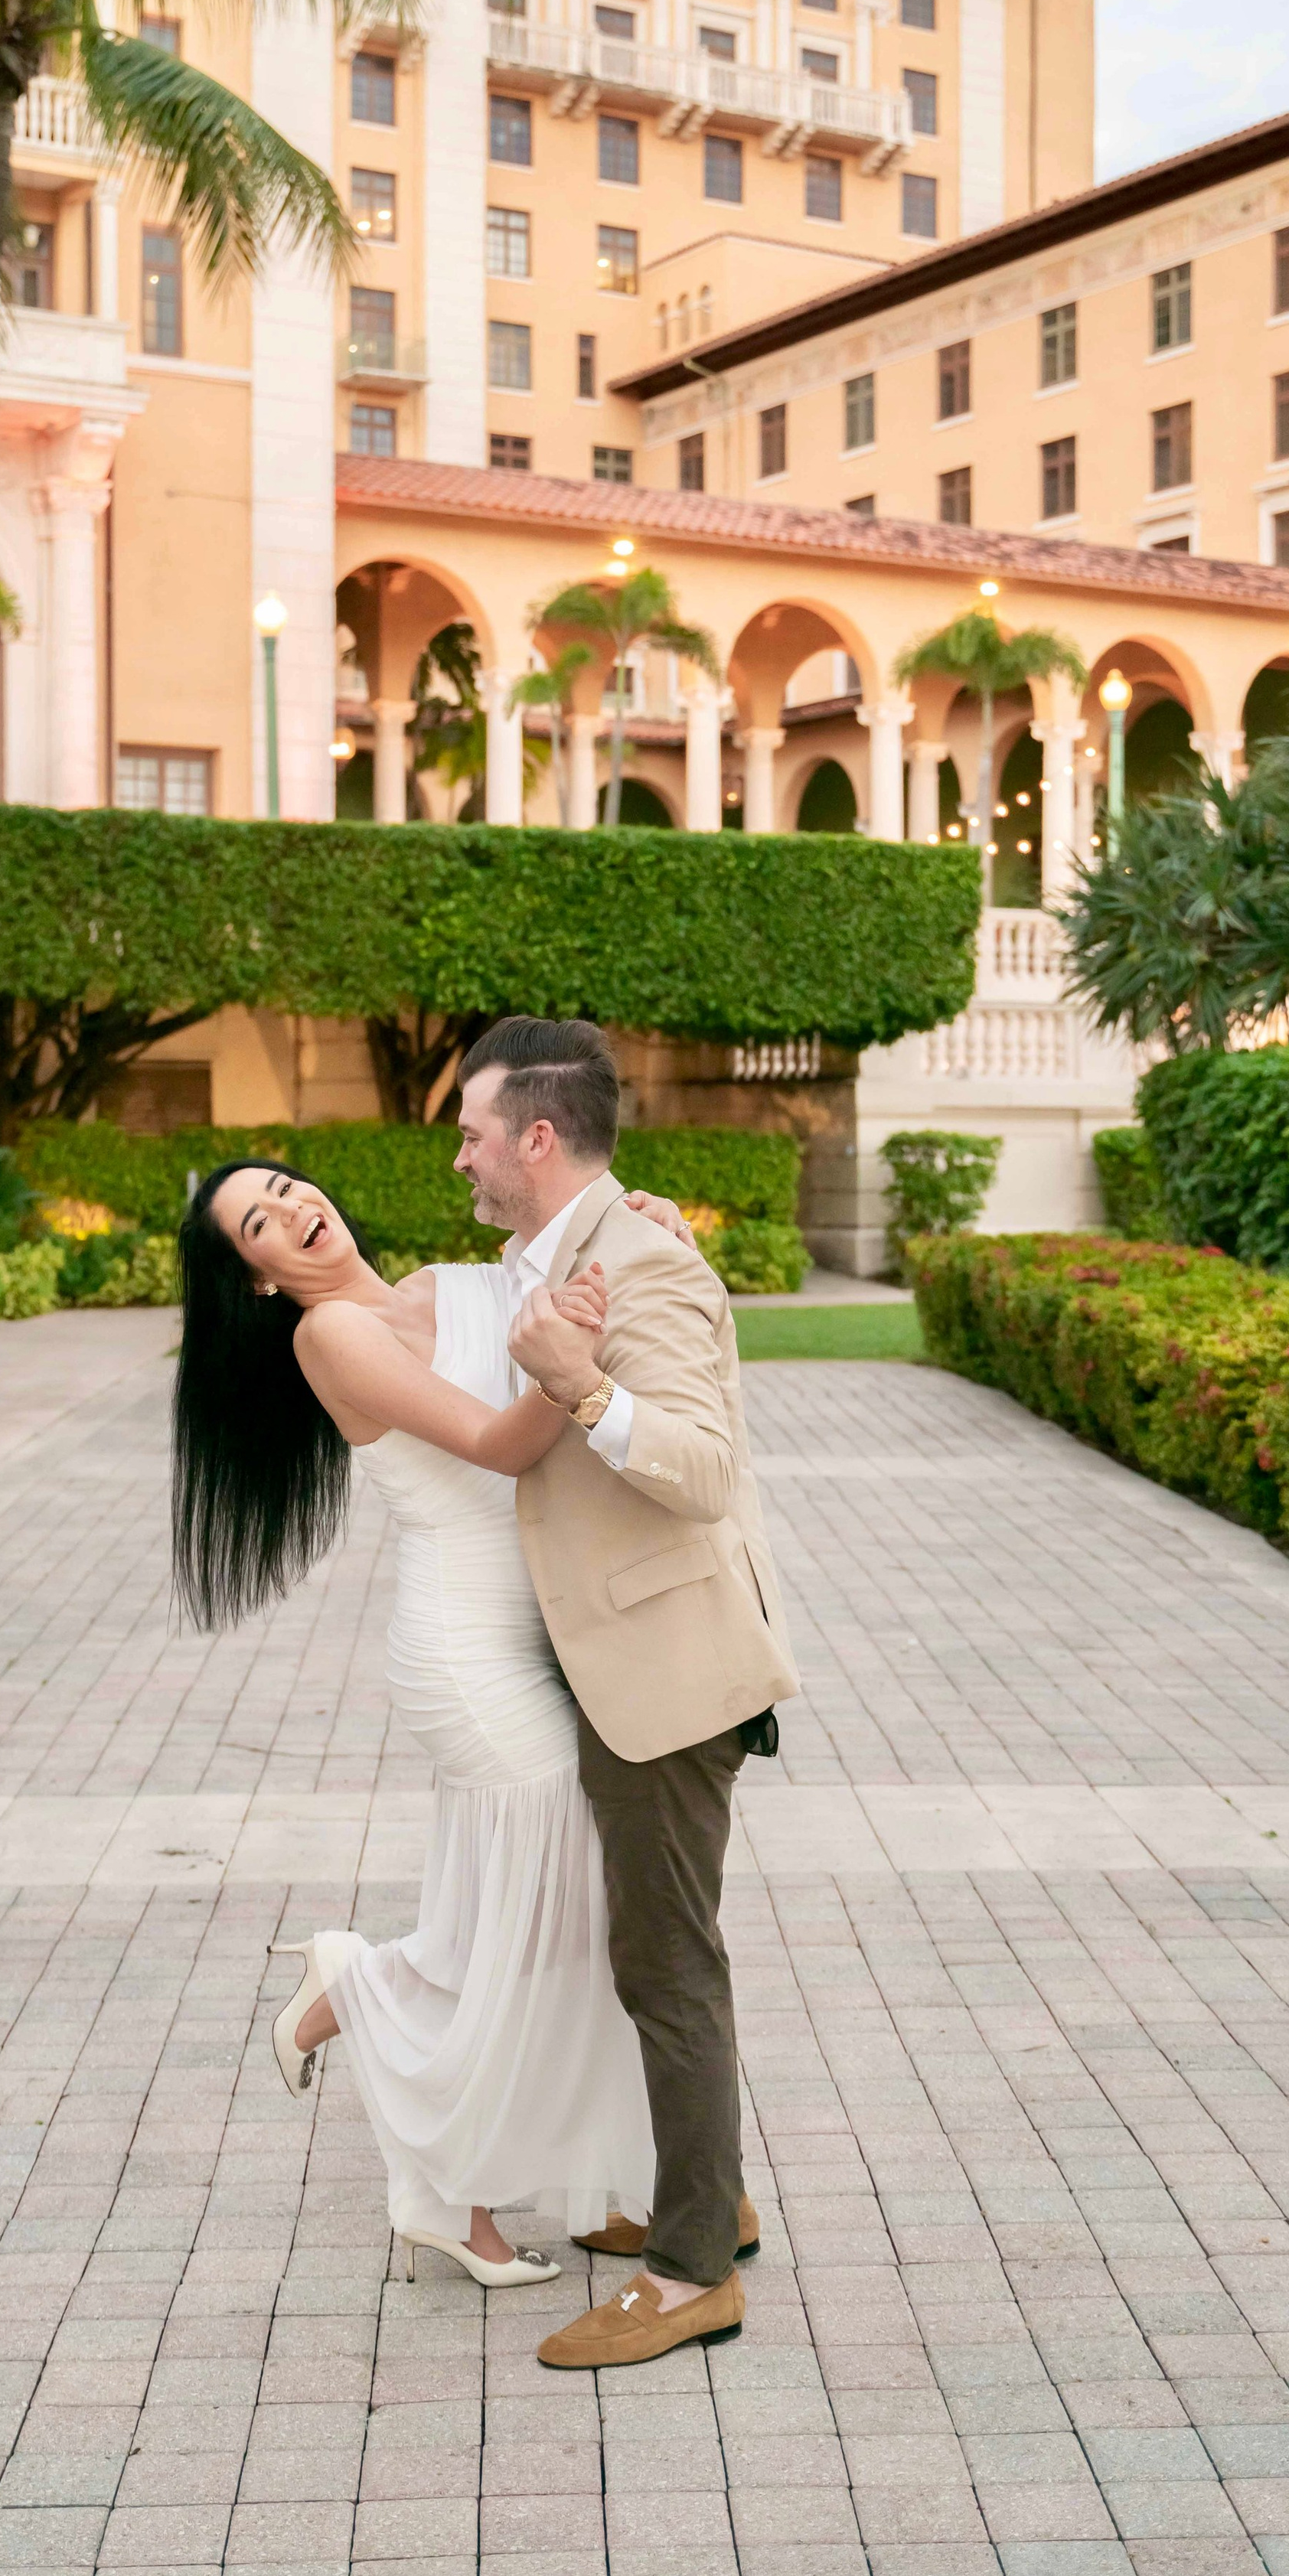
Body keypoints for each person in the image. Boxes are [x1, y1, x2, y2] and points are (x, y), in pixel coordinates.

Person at [172, 1156, 687, 2287]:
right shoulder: (332, 1340)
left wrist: (651, 1228)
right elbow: (504, 1445)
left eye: (289, 1186)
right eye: (260, 1223)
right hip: (466, 1657)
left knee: (527, 1919)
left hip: (537, 1642)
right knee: (549, 1920)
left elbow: (573, 1280)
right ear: (255, 1278)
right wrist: (571, 1372)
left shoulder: (452, 1286)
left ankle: (358, 1993)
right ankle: (442, 2171)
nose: (298, 1209)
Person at [454, 1016, 799, 2372]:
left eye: (476, 1133)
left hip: (663, 1676)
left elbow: (704, 1471)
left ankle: (691, 2272)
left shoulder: (637, 1264)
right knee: (648, 1959)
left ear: (538, 1139)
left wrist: (582, 1388)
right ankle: (705, 2201)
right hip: (604, 1664)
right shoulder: (556, 1252)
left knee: (669, 1968)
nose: (462, 1157)